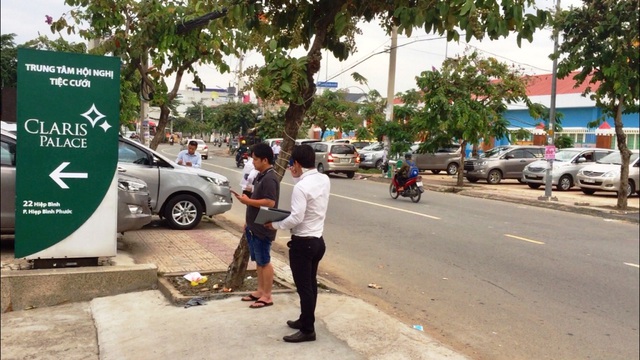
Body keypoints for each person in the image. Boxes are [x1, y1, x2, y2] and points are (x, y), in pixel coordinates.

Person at [265, 144, 330, 343]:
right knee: (310, 284)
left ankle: (308, 330)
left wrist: (274, 225)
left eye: (293, 164)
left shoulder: (301, 187)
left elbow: (296, 218)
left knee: (304, 288)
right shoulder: (323, 178)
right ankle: (305, 319)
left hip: (303, 244)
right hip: (318, 241)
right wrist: (297, 175)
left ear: (297, 163)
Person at [232, 143, 280, 309]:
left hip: (263, 227)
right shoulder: (260, 175)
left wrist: (248, 201)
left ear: (265, 160)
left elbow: (270, 202)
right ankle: (260, 291)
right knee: (259, 261)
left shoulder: (270, 178)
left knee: (264, 261)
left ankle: (267, 295)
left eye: (255, 159)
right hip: (254, 225)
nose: (252, 162)